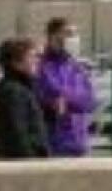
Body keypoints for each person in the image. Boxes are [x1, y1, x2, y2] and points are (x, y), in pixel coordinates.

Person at [35, 17, 96, 157]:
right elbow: (47, 95)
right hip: (55, 143)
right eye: (68, 33)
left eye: (74, 34)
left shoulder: (76, 66)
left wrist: (67, 99)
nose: (73, 38)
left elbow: (89, 101)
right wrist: (70, 99)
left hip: (80, 141)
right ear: (53, 36)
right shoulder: (42, 66)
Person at [0, 37, 49, 160]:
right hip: (21, 165)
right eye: (32, 56)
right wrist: (31, 161)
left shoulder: (23, 88)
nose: (37, 61)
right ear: (15, 62)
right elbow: (17, 134)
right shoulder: (13, 91)